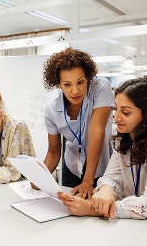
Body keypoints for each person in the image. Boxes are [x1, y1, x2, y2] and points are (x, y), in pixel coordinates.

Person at [58, 78, 147, 219]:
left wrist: (93, 209)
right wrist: (107, 189)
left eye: (126, 113)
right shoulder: (125, 138)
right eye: (116, 109)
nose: (116, 117)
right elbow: (111, 176)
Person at [40, 47, 114, 199]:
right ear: (58, 83)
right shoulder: (52, 110)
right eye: (67, 84)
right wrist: (40, 178)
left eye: (80, 82)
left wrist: (88, 181)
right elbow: (54, 152)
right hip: (72, 167)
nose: (75, 91)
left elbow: (96, 130)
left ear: (87, 77)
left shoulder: (100, 87)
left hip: (102, 166)